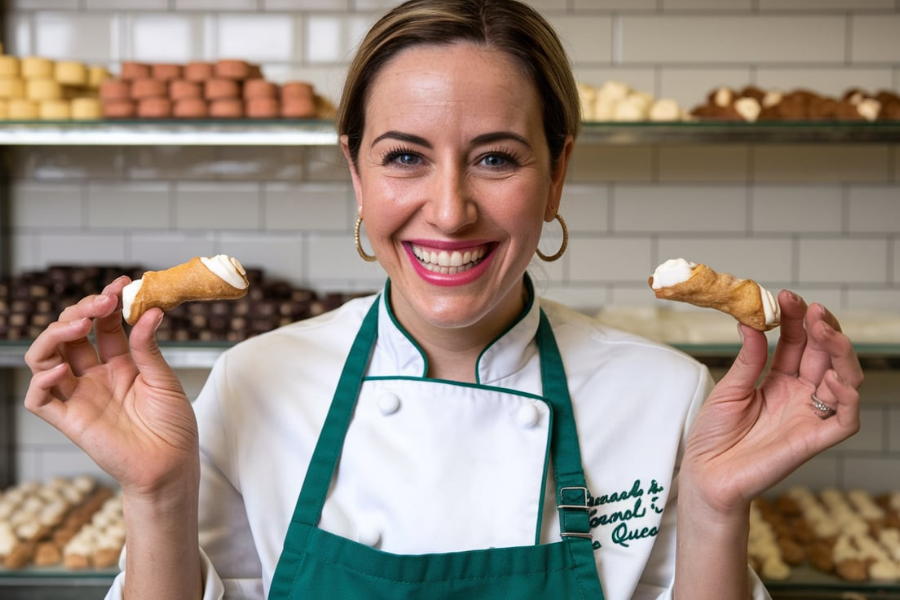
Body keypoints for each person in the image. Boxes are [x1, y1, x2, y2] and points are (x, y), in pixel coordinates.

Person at [23, 0, 863, 598]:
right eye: (404, 158)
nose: (452, 209)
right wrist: (156, 496)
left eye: (496, 158)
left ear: (558, 170)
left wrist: (720, 509)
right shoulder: (253, 382)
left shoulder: (667, 392)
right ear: (354, 170)